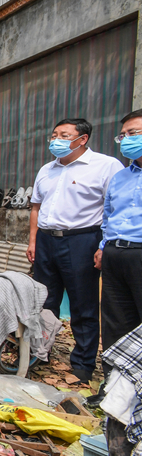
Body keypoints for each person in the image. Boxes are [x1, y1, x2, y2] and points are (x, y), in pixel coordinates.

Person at [27, 118, 123, 383]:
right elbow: (36, 207)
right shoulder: (47, 169)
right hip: (46, 240)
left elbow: (114, 208)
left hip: (82, 240)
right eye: (54, 135)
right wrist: (33, 241)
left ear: (82, 139)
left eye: (64, 135)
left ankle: (83, 364)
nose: (56, 140)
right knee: (44, 301)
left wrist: (103, 245)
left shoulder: (105, 166)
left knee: (83, 304)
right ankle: (40, 353)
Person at [95, 109, 142, 373]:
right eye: (122, 135)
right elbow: (109, 215)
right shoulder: (121, 176)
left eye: (133, 133)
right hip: (115, 253)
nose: (126, 140)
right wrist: (103, 246)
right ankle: (113, 385)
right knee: (115, 323)